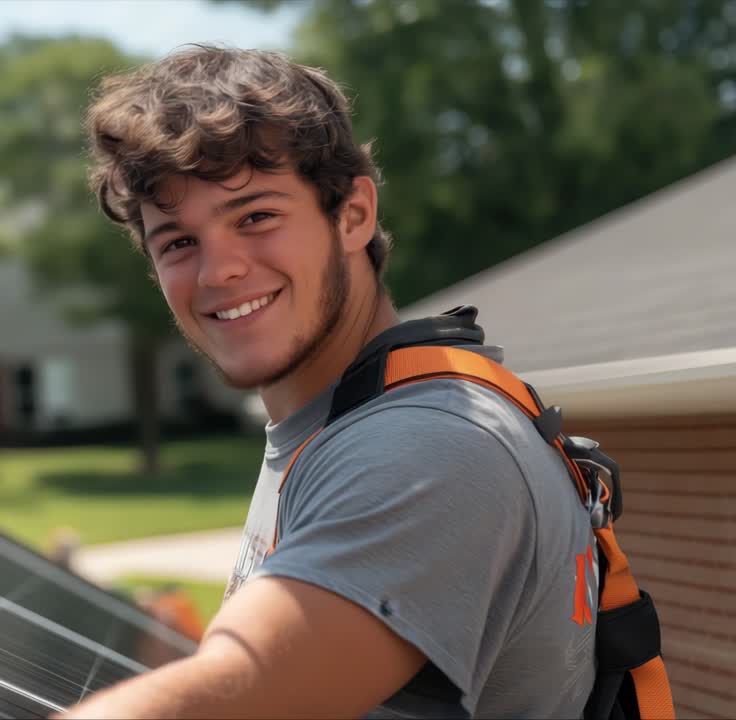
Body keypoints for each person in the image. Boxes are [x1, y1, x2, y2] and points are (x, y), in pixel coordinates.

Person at [60, 45, 608, 719]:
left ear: (353, 215)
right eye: (178, 242)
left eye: (255, 217)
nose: (217, 271)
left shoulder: (426, 449)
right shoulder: (329, 424)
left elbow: (243, 694)